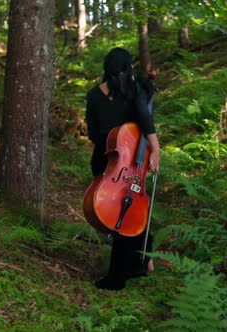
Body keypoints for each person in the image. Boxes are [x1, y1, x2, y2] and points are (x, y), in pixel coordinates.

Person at [85, 47, 160, 290]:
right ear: (128, 69)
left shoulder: (94, 95)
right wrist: (154, 149)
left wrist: (112, 142)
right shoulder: (131, 90)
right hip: (122, 163)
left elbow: (93, 132)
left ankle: (119, 275)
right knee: (125, 213)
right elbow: (144, 118)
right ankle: (140, 259)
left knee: (124, 214)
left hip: (108, 161)